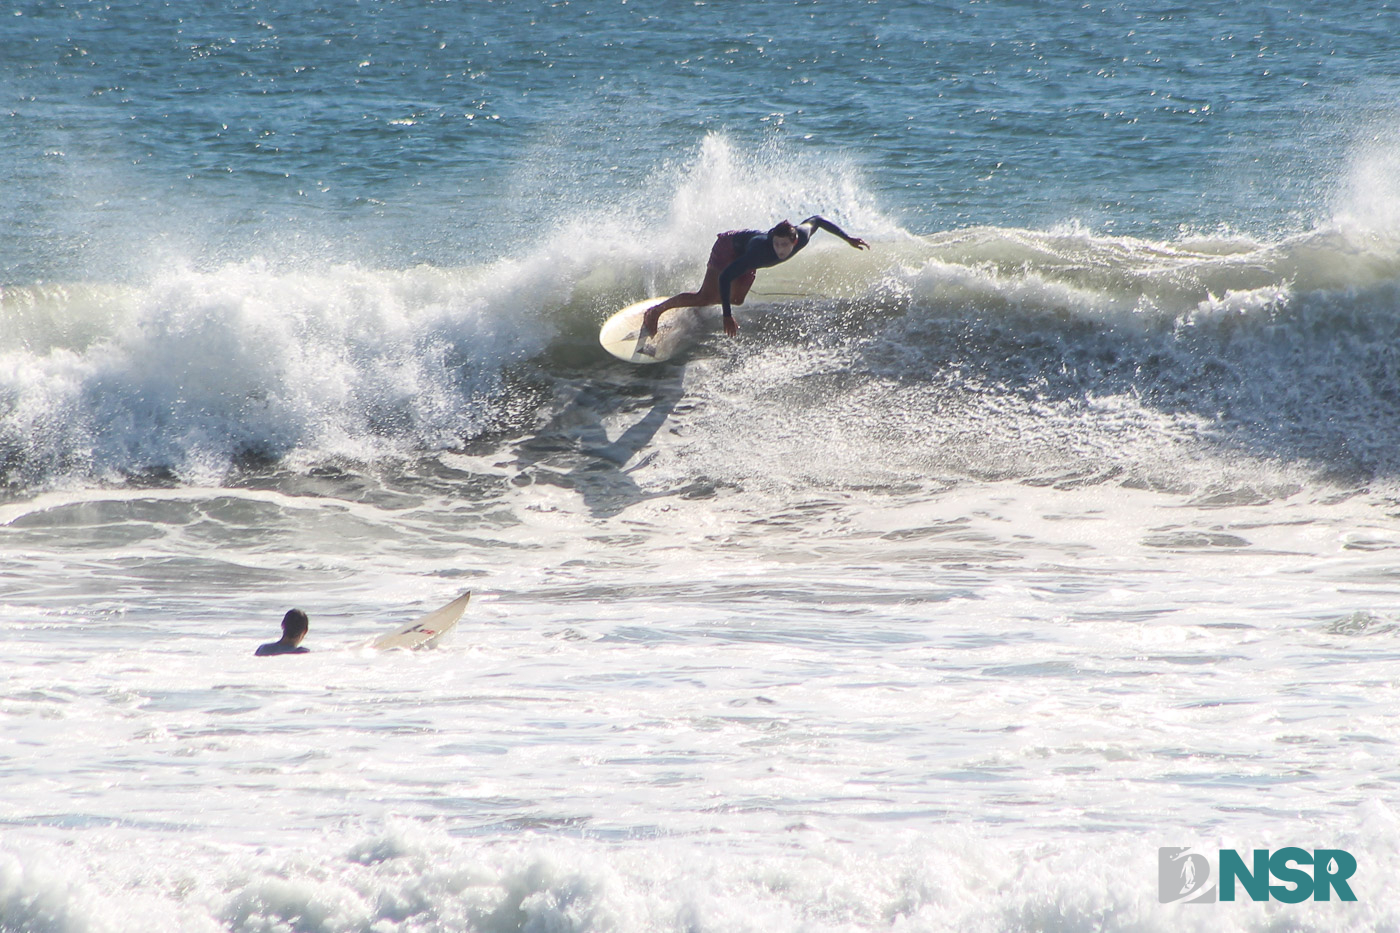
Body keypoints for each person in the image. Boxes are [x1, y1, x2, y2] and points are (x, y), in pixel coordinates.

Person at [643, 216, 870, 338]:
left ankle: (699, 304)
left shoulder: (801, 235)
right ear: (772, 240)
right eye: (777, 244)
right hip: (728, 248)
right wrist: (726, 316)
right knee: (706, 296)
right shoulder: (760, 251)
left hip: (745, 256)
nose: (780, 250)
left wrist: (847, 238)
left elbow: (818, 220)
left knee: (737, 299)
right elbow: (725, 277)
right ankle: (655, 312)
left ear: (794, 242)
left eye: (784, 245)